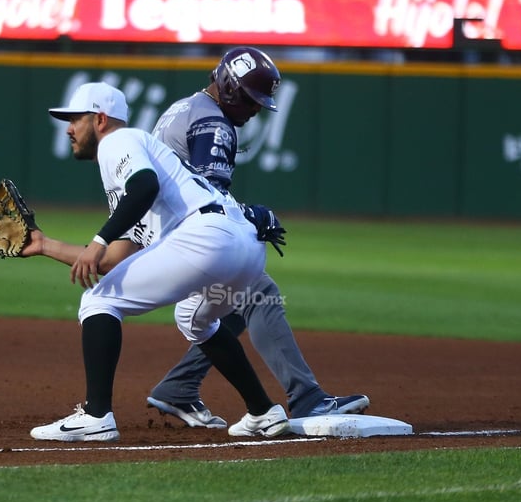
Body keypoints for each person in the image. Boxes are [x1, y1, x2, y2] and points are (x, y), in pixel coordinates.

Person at [23, 81, 290, 441]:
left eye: (75, 119)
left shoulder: (119, 141)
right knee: (194, 320)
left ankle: (96, 416)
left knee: (98, 300)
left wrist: (98, 239)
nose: (69, 128)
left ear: (100, 119)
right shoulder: (133, 165)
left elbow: (144, 186)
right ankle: (263, 411)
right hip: (243, 248)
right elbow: (114, 259)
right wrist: (43, 245)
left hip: (206, 237)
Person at [145, 47, 370, 428]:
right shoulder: (214, 124)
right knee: (259, 293)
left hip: (161, 228)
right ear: (231, 90)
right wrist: (250, 216)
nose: (255, 110)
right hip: (181, 236)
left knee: (230, 299)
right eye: (252, 100)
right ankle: (308, 399)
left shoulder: (187, 107)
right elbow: (207, 195)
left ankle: (178, 387)